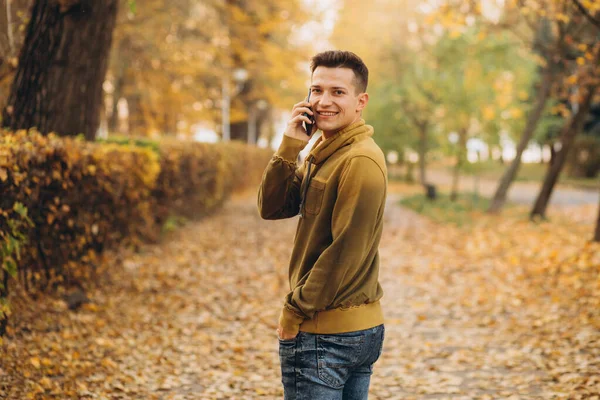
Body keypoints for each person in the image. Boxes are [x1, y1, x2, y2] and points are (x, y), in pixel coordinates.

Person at [257, 50, 387, 399]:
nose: (323, 101)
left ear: (361, 101)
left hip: (327, 334)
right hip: (340, 333)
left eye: (337, 92)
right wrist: (290, 145)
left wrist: (293, 312)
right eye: (316, 90)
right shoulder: (326, 151)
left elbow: (343, 251)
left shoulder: (358, 160)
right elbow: (272, 207)